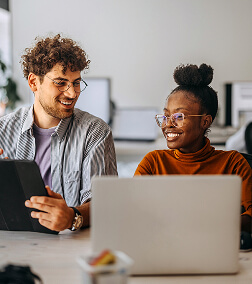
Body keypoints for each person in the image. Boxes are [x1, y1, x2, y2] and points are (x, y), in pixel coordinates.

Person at [0, 34, 117, 232]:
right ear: (33, 82)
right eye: (61, 83)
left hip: (70, 247)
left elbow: (106, 204)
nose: (72, 93)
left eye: (77, 82)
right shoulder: (3, 130)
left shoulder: (95, 132)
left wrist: (73, 216)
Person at [134, 63, 252, 233]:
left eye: (179, 116)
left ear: (205, 121)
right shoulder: (153, 162)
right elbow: (132, 212)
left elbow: (250, 217)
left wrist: (206, 225)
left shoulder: (234, 164)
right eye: (166, 116)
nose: (168, 124)